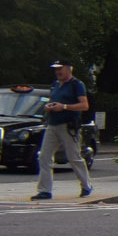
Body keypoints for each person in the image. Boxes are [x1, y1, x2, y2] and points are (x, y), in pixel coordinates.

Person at [34, 59, 95, 200]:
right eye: (56, 69)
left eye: (60, 69)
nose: (58, 72)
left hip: (68, 126)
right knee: (44, 156)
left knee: (73, 157)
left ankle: (86, 186)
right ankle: (45, 190)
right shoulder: (55, 84)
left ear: (69, 69)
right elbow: (52, 101)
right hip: (52, 124)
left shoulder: (76, 85)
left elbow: (84, 105)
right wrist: (49, 107)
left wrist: (65, 107)